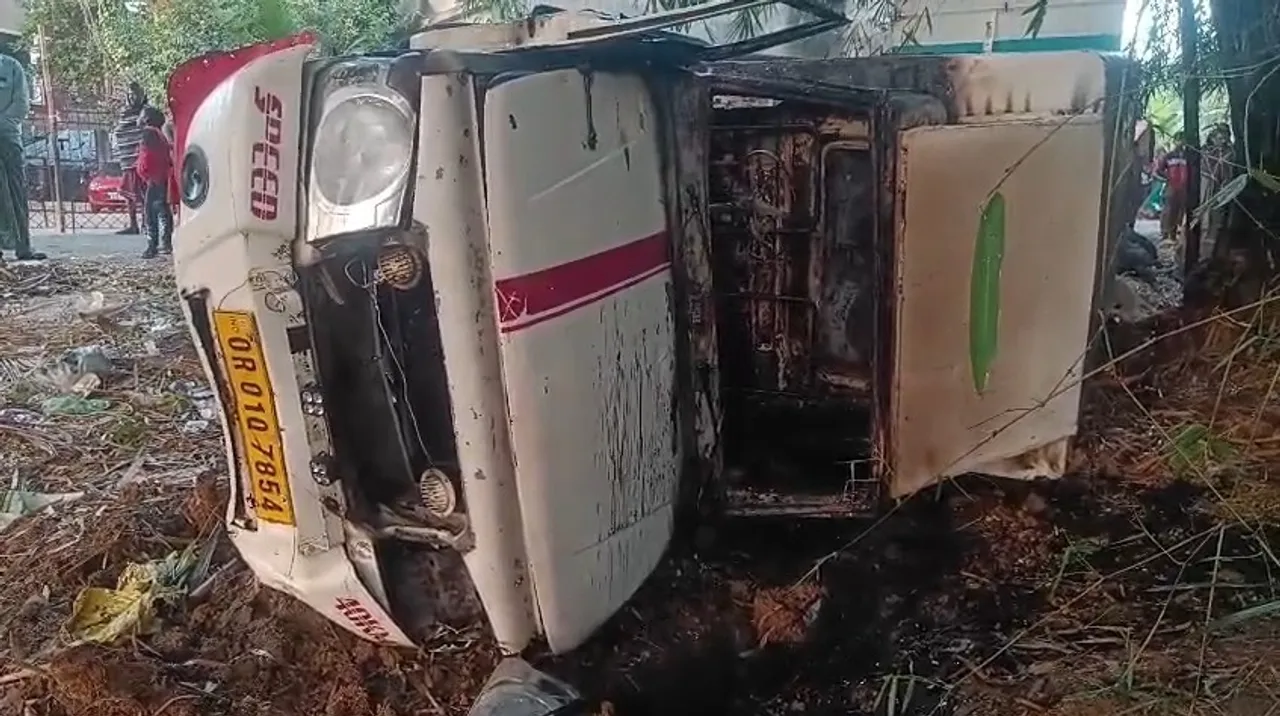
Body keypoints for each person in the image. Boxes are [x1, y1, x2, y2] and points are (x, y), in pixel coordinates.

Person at [0, 46, 43, 261]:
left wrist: (3, 124)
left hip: (8, 137)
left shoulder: (10, 66)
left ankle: (23, 246)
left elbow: (21, 102)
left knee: (16, 189)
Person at [135, 106, 173, 258]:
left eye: (141, 115)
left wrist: (146, 173)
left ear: (146, 119)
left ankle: (153, 246)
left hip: (154, 179)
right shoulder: (159, 134)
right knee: (163, 210)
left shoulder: (148, 133)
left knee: (151, 213)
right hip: (160, 177)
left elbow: (148, 157)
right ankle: (166, 243)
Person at [111, 82, 147, 235]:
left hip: (142, 160)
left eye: (136, 94)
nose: (133, 98)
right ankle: (133, 224)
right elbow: (121, 132)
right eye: (130, 95)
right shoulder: (124, 113)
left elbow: (146, 133)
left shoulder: (145, 112)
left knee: (146, 194)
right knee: (129, 195)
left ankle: (146, 223)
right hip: (127, 160)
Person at [1201, 123, 1234, 260]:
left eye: (1224, 134)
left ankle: (1211, 255)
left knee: (1218, 222)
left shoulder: (1231, 152)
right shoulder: (1205, 151)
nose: (1221, 137)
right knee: (1203, 219)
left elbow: (1229, 171)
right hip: (1207, 185)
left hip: (1224, 189)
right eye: (1218, 134)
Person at [1154, 132, 1190, 249]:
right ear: (1174, 141)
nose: (1180, 142)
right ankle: (1165, 234)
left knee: (1180, 211)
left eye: (1182, 140)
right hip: (1171, 187)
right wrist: (1167, 178)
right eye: (1178, 140)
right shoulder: (1169, 156)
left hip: (1183, 189)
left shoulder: (1187, 156)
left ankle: (1174, 235)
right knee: (1169, 211)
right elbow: (1158, 170)